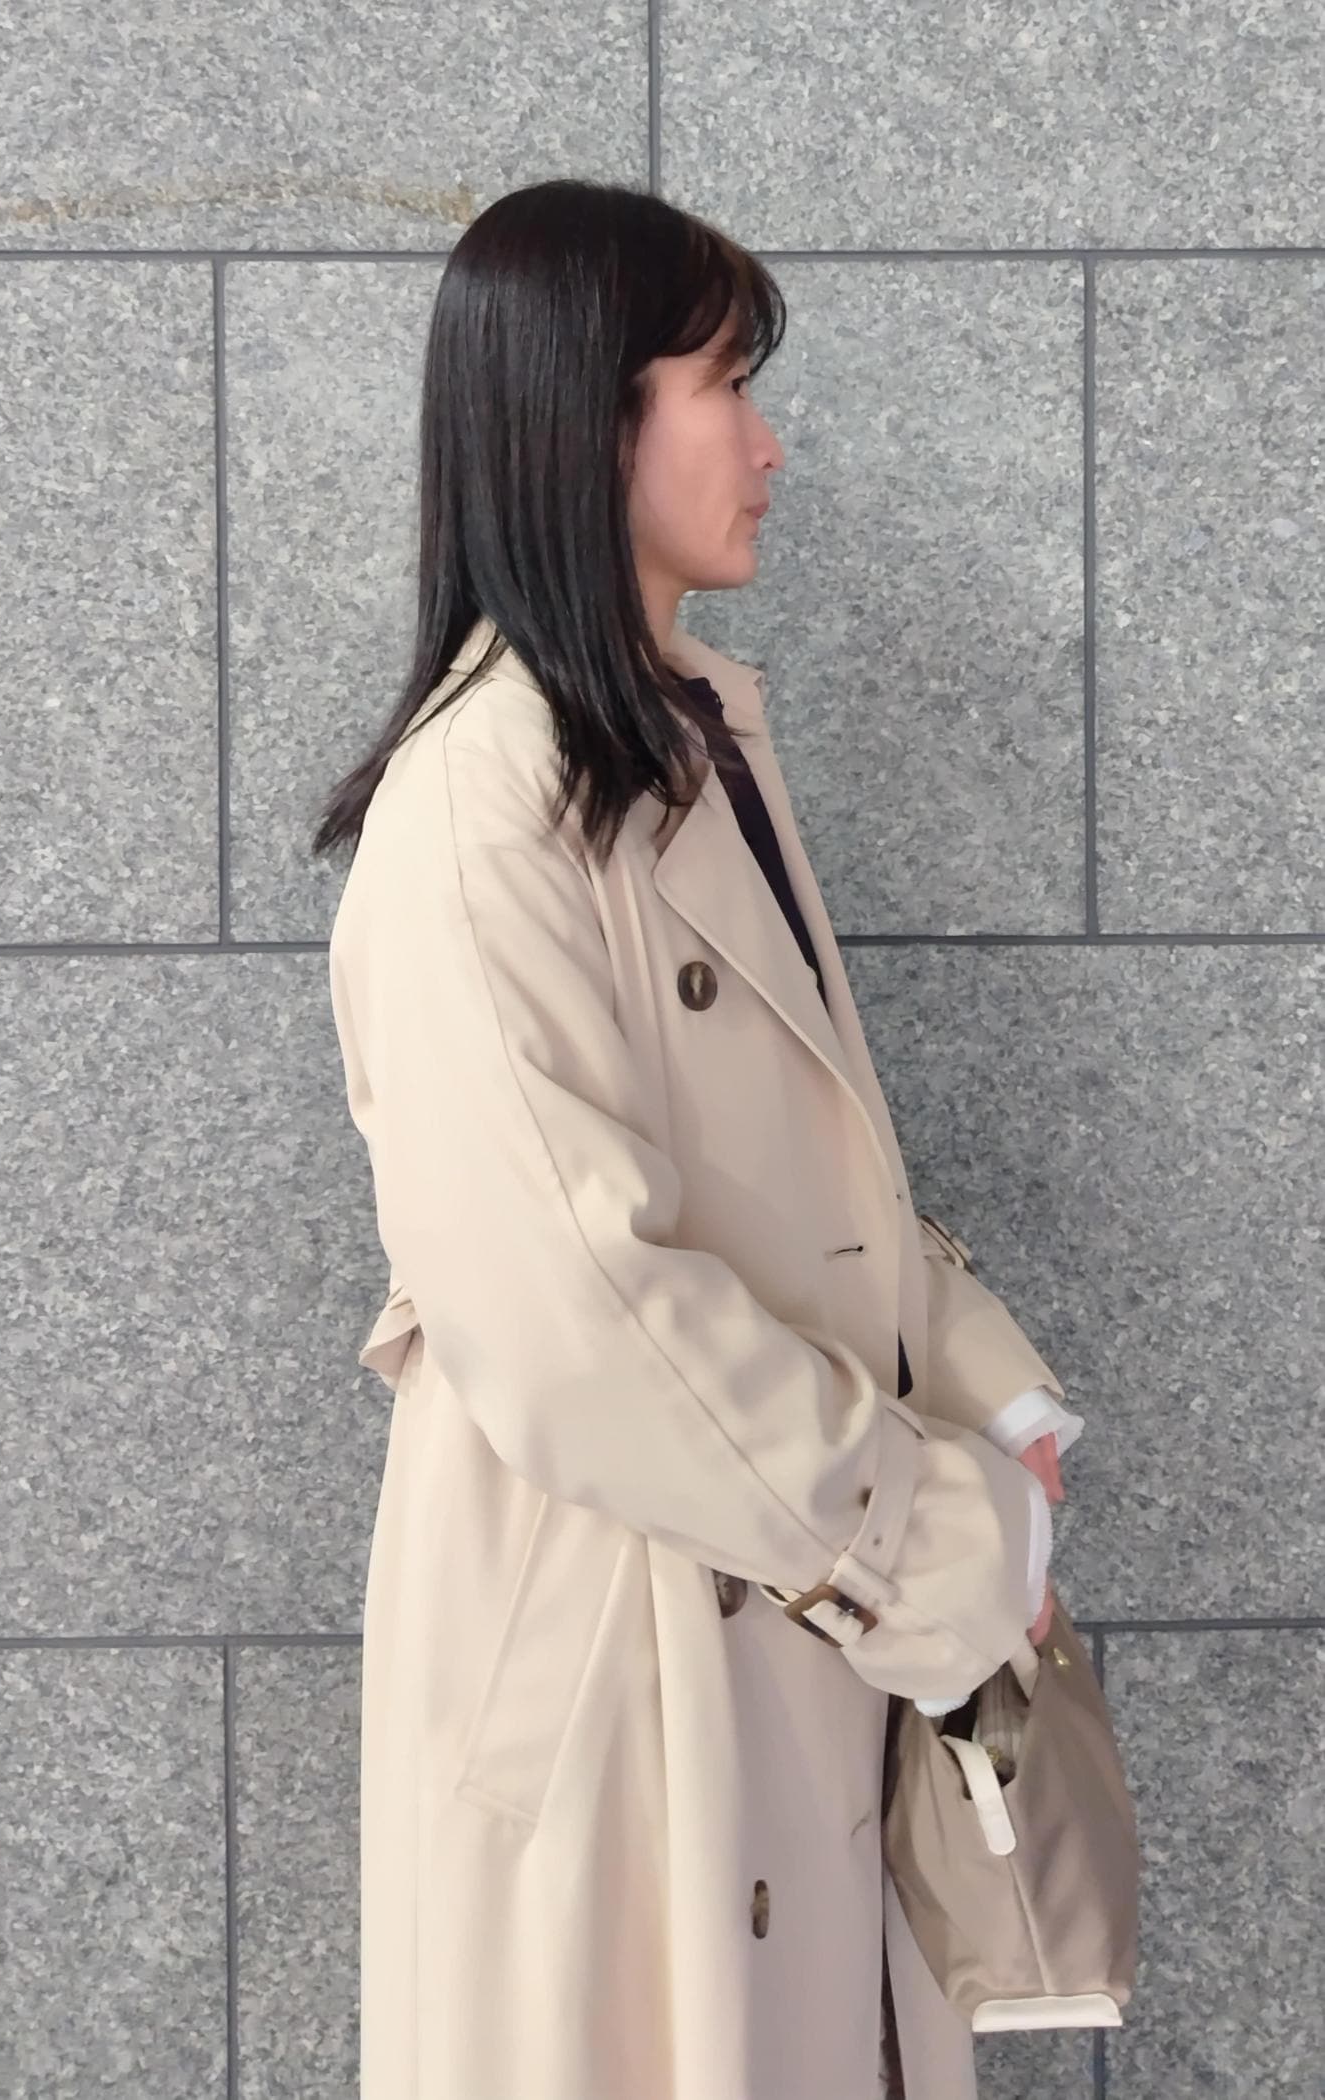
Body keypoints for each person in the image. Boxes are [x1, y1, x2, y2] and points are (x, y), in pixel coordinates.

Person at [313, 177, 1084, 2100]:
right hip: (625, 1654)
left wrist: (996, 1403)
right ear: (591, 418)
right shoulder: (477, 807)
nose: (768, 440)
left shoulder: (685, 738)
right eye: (725, 384)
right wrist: (932, 1547)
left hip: (775, 1600)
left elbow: (824, 1173)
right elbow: (570, 1312)